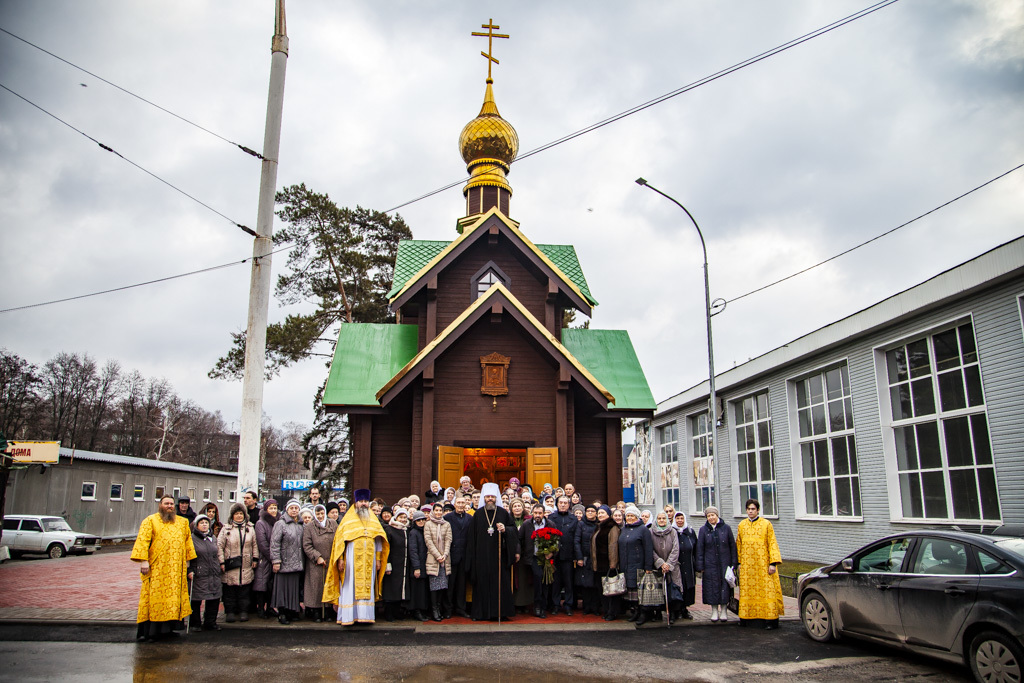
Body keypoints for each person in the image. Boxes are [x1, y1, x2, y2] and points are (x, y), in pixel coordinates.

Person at [131, 495, 197, 642]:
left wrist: (188, 564)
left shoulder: (182, 522)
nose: (169, 506)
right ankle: (152, 632)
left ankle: (169, 629)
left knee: (173, 601)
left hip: (175, 570)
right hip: (156, 569)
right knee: (154, 600)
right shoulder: (150, 521)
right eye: (166, 503)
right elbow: (143, 541)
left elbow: (188, 542)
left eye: (172, 504)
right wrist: (143, 561)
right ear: (160, 505)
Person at [323, 489, 390, 626]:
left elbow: (378, 540)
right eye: (361, 501)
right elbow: (340, 541)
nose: (364, 504)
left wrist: (378, 559)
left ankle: (364, 616)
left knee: (367, 585)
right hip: (351, 558)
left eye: (366, 501)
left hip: (369, 559)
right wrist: (340, 559)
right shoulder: (348, 519)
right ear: (356, 502)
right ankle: (349, 616)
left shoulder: (373, 518)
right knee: (350, 585)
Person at [465, 482, 518, 621]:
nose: (490, 499)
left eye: (492, 497)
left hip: (499, 557)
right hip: (481, 557)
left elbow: (513, 530)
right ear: (484, 497)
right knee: (482, 584)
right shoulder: (477, 514)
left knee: (499, 584)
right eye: (487, 496)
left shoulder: (503, 513)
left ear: (496, 498)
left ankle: (500, 612)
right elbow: (472, 538)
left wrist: (505, 529)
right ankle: (480, 613)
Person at [736, 498, 784, 630]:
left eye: (753, 509)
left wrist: (773, 563)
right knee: (747, 592)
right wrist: (739, 562)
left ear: (758, 510)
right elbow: (738, 545)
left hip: (763, 565)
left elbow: (772, 543)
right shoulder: (742, 525)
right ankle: (746, 618)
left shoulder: (766, 524)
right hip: (747, 567)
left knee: (767, 591)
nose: (750, 511)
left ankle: (770, 620)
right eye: (748, 509)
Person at [218, 502, 258, 623]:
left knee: (244, 591)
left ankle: (243, 611)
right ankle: (230, 612)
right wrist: (221, 562)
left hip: (246, 565)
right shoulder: (226, 529)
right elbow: (219, 546)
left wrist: (255, 558)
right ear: (232, 515)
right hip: (230, 565)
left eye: (241, 513)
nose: (239, 516)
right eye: (237, 514)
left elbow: (254, 544)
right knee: (229, 590)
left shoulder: (250, 528)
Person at [696, 505, 737, 623]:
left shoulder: (726, 528)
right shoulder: (703, 530)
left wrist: (734, 563)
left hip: (725, 563)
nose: (711, 518)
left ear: (717, 515)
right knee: (711, 587)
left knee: (724, 586)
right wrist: (701, 566)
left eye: (712, 515)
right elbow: (700, 549)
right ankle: (714, 611)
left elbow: (732, 546)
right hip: (710, 564)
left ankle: (724, 610)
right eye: (708, 516)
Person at [270, 499, 305, 625]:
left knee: (293, 589)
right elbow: (274, 543)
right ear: (287, 509)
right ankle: (282, 613)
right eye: (292, 508)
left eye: (296, 508)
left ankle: (292, 611)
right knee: (282, 590)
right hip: (284, 563)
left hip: (297, 563)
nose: (294, 510)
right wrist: (276, 561)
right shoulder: (281, 524)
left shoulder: (301, 524)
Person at [618, 504, 654, 626]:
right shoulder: (624, 529)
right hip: (626, 565)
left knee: (640, 591)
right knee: (631, 590)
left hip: (639, 565)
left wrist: (648, 566)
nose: (629, 518)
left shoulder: (643, 530)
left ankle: (643, 613)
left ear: (637, 517)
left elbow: (648, 548)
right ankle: (635, 611)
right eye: (627, 515)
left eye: (632, 516)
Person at [302, 503, 338, 623]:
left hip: (330, 560)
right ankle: (316, 612)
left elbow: (338, 540)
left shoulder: (333, 524)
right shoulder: (309, 527)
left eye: (322, 513)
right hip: (316, 563)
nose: (321, 516)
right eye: (318, 514)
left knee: (328, 586)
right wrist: (317, 557)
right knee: (316, 587)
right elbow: (307, 545)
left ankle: (328, 611)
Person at [187, 514, 222, 632]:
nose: (204, 525)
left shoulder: (213, 538)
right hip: (199, 572)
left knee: (214, 597)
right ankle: (195, 623)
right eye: (201, 523)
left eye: (206, 522)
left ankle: (210, 622)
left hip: (213, 572)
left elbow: (217, 553)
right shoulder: (192, 538)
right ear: (196, 525)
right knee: (196, 599)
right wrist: (190, 570)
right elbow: (188, 556)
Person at [519, 503, 552, 618]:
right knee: (538, 578)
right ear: (532, 513)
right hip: (533, 557)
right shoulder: (526, 524)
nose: (537, 515)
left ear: (544, 514)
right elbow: (520, 539)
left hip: (546, 558)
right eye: (536, 513)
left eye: (540, 513)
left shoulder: (550, 524)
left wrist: (552, 552)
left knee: (546, 581)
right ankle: (537, 606)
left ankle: (544, 606)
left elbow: (557, 541)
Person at [547, 495, 578, 615]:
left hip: (568, 556)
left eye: (565, 503)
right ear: (557, 504)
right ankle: (555, 604)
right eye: (561, 502)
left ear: (569, 505)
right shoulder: (551, 518)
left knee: (568, 582)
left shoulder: (573, 519)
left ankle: (568, 605)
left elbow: (576, 537)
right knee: (555, 582)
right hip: (554, 556)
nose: (563, 505)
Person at [443, 495, 472, 619]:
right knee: (450, 585)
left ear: (466, 504)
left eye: (463, 502)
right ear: (454, 504)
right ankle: (447, 609)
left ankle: (461, 608)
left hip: (464, 556)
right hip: (451, 555)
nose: (460, 505)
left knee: (461, 585)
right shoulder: (447, 518)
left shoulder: (470, 518)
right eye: (458, 502)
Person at [651, 511, 683, 625]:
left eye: (663, 518)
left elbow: (676, 549)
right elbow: (651, 549)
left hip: (672, 567)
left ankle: (673, 613)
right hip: (658, 566)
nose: (661, 520)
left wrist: (668, 564)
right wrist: (660, 563)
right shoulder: (651, 531)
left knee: (672, 590)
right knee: (659, 591)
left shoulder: (673, 531)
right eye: (659, 518)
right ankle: (658, 613)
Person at [423, 501, 453, 621]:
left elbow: (448, 540)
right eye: (436, 510)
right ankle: (434, 610)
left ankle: (440, 608)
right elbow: (428, 541)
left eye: (440, 510)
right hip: (433, 559)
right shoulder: (428, 524)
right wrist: (437, 555)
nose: (439, 513)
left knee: (442, 586)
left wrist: (444, 555)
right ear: (433, 511)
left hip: (445, 560)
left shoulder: (447, 524)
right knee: (434, 587)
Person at [591, 505, 621, 621]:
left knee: (612, 590)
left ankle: (612, 612)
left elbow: (613, 545)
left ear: (608, 514)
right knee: (602, 590)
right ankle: (606, 610)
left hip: (608, 565)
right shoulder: (598, 526)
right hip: (598, 564)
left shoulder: (612, 527)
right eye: (599, 513)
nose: (600, 515)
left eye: (603, 513)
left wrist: (613, 563)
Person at [381, 508, 411, 622]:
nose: (403, 520)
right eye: (401, 517)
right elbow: (386, 547)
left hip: (403, 563)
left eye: (405, 517)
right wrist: (387, 564)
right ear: (396, 517)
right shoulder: (390, 529)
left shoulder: (407, 530)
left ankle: (397, 611)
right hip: (393, 563)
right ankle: (388, 613)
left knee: (400, 589)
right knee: (391, 588)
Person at [253, 498, 278, 618]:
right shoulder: (261, 523)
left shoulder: (278, 521)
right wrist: (273, 558)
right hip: (265, 559)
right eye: (271, 508)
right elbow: (262, 543)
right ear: (266, 509)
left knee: (272, 586)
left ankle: (270, 608)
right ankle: (260, 609)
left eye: (275, 508)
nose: (273, 510)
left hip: (275, 559)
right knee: (262, 586)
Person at [508, 498, 533, 612]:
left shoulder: (529, 520)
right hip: (511, 554)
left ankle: (524, 603)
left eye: (519, 506)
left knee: (524, 580)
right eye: (515, 506)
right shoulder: (508, 520)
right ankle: (513, 603)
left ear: (523, 508)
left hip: (526, 554)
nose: (517, 508)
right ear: (511, 509)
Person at [574, 504, 600, 615]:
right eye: (588, 511)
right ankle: (586, 607)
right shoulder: (581, 524)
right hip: (584, 558)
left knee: (595, 583)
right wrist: (579, 557)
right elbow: (576, 541)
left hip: (596, 558)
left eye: (592, 511)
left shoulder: (599, 525)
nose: (590, 513)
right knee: (585, 584)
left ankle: (595, 608)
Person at [673, 511, 698, 620]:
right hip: (677, 565)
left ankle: (685, 609)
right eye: (677, 518)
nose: (679, 521)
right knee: (678, 586)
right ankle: (677, 609)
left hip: (689, 564)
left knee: (688, 587)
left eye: (681, 518)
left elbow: (696, 548)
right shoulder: (672, 532)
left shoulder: (690, 532)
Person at [407, 509, 431, 621]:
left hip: (425, 565)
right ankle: (417, 611)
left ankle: (422, 610)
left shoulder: (425, 531)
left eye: (423, 519)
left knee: (423, 591)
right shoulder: (413, 533)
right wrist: (416, 567)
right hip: (418, 566)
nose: (421, 522)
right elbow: (413, 551)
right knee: (417, 591)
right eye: (418, 520)